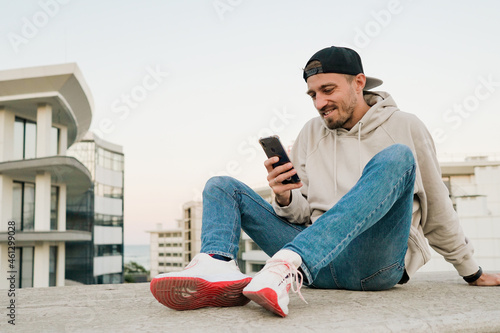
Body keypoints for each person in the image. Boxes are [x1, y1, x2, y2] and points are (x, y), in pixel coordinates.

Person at [150, 46, 500, 317]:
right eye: (313, 94)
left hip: (372, 264)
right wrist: (284, 198)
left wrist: (471, 271)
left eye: (327, 89)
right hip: (314, 265)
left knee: (397, 157)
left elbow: (438, 207)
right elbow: (302, 215)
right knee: (221, 184)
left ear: (358, 82)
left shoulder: (405, 127)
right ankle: (217, 265)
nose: (319, 102)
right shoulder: (310, 133)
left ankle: (288, 266)